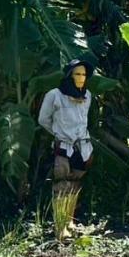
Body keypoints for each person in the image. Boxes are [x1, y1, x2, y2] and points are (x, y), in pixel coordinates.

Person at [38, 60, 95, 197]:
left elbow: (84, 119)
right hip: (63, 147)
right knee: (61, 185)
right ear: (70, 75)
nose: (81, 78)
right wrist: (59, 132)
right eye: (77, 74)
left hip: (83, 148)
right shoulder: (54, 95)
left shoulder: (87, 95)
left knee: (77, 184)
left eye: (84, 74)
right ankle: (60, 211)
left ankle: (73, 210)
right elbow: (43, 120)